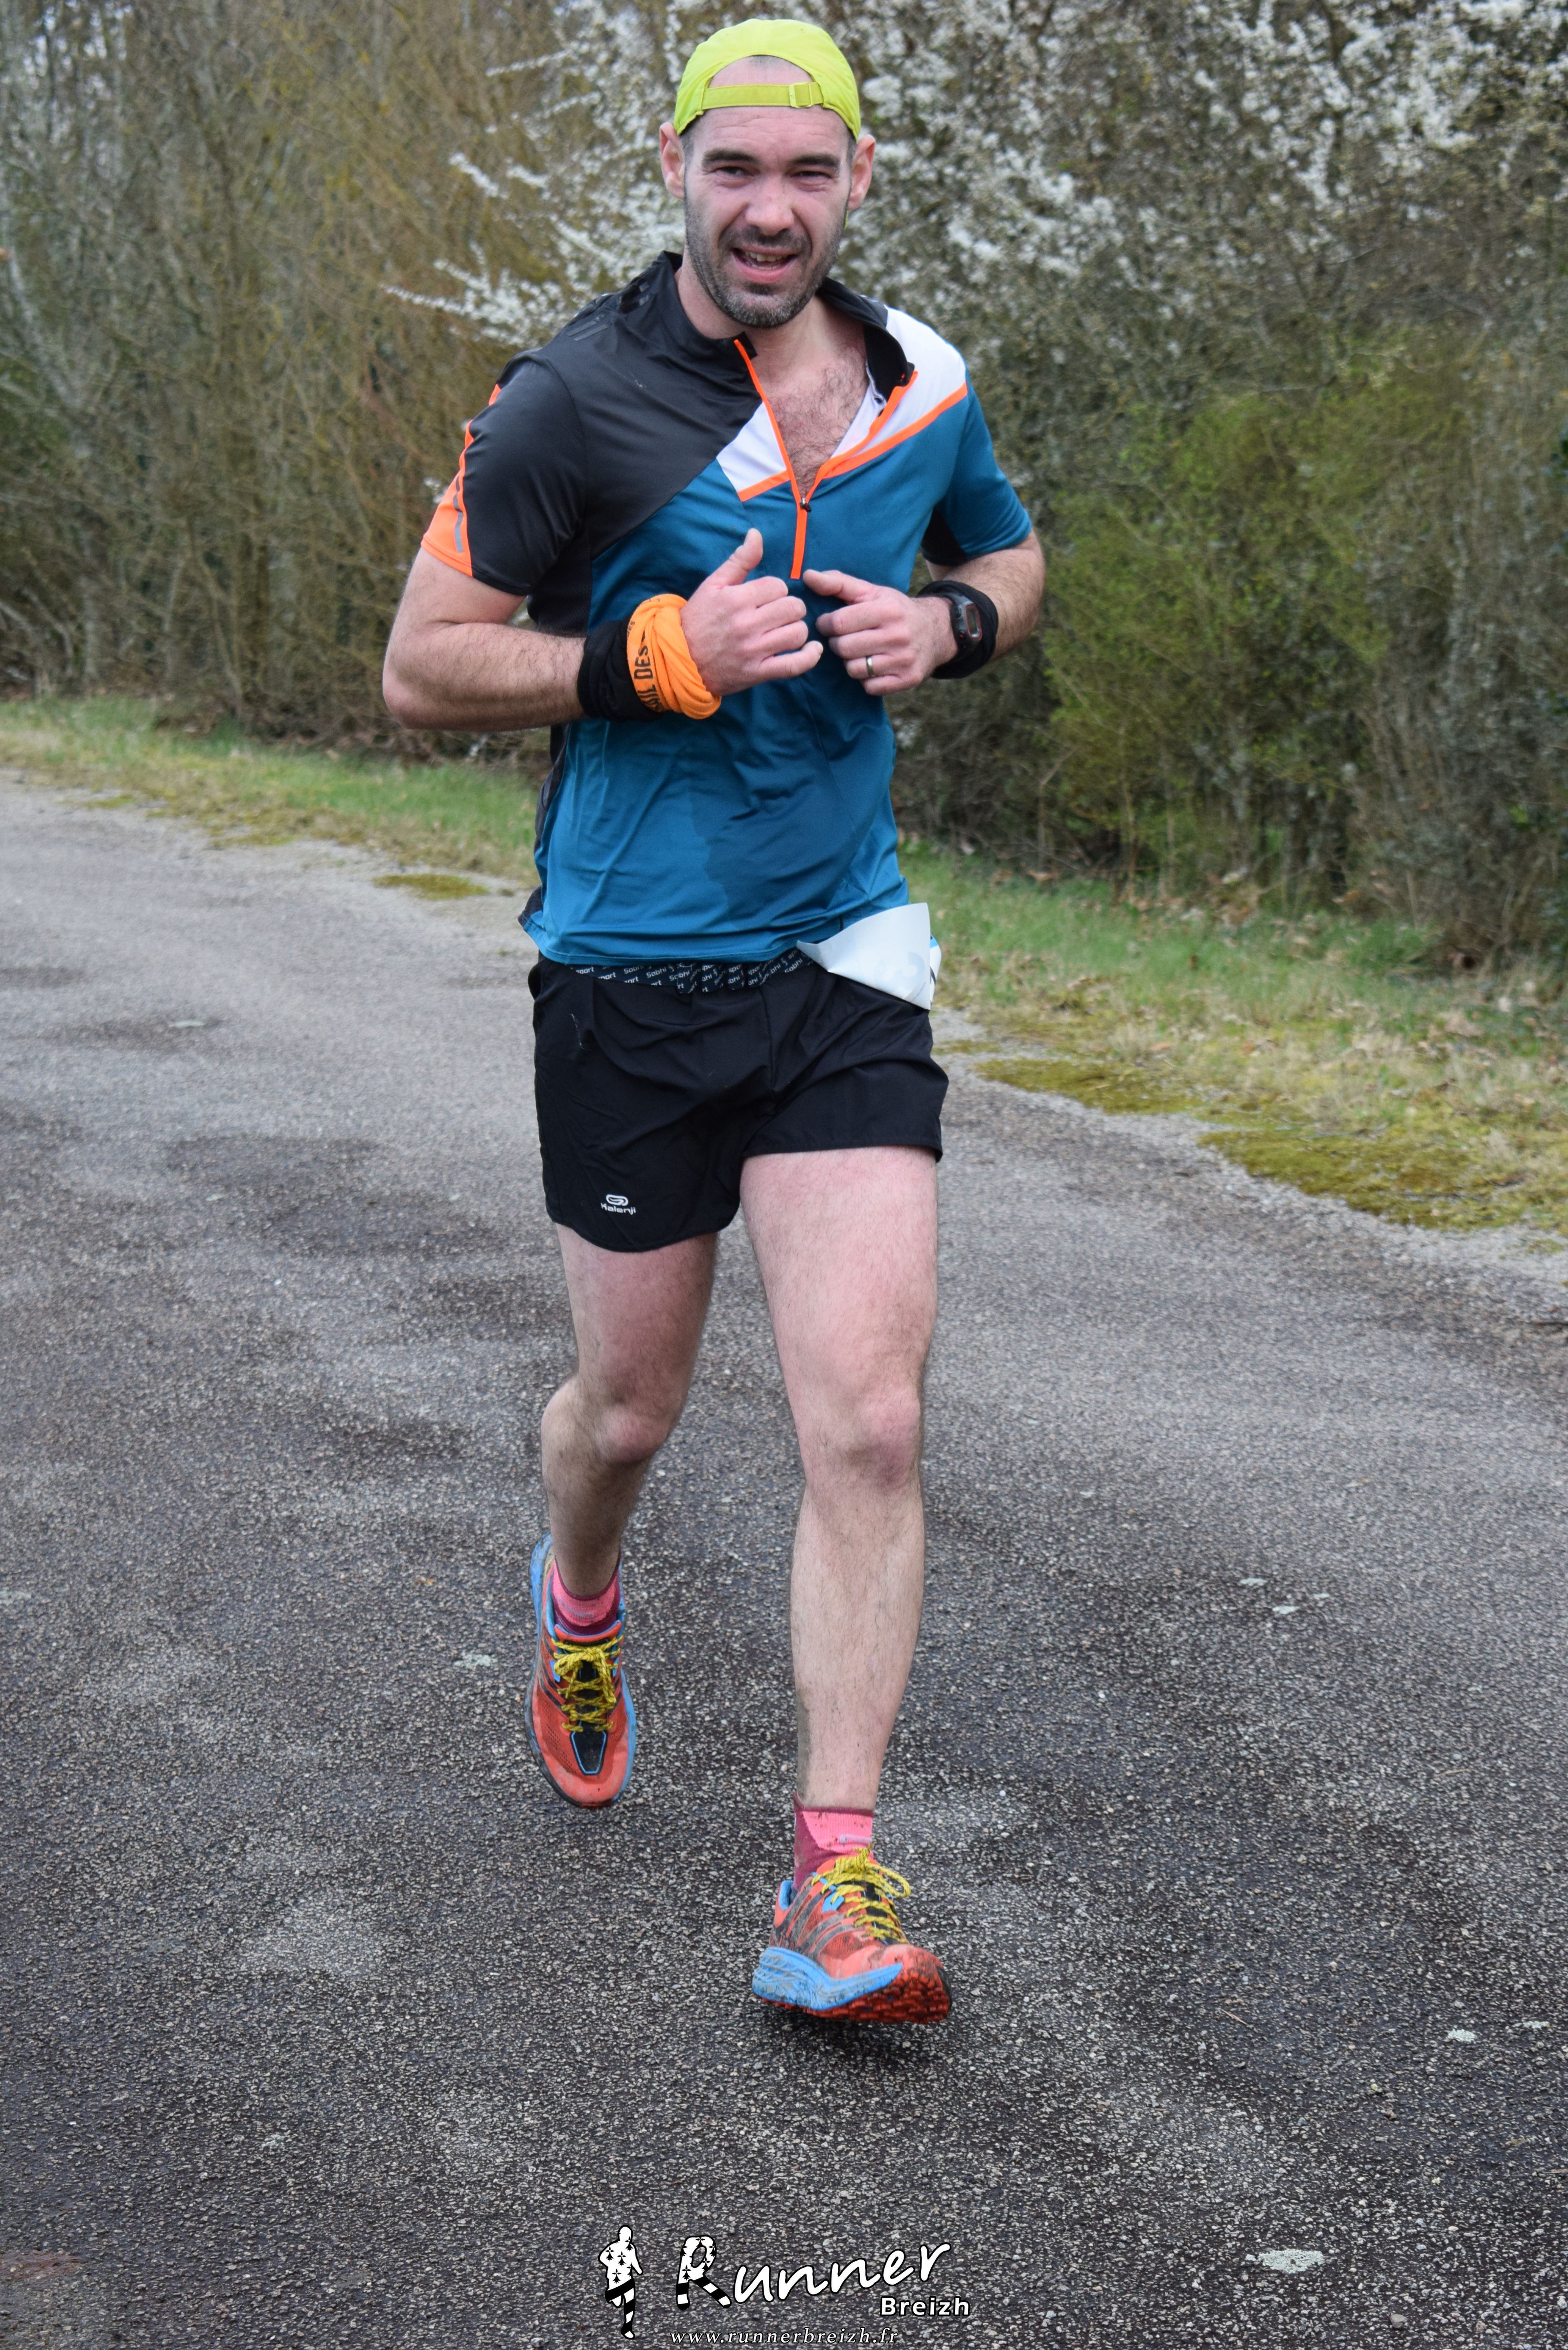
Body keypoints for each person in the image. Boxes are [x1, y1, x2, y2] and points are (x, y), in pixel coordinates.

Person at [383, 16, 1044, 2025]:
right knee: (630, 1414)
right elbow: (422, 665)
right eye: (734, 168)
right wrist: (651, 651)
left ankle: (832, 1880)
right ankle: (578, 1593)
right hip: (631, 972)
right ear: (673, 168)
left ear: (858, 183)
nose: (769, 208)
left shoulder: (920, 379)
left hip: (842, 952)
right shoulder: (571, 403)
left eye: (806, 172)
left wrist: (953, 623)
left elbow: (1009, 551)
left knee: (871, 1414)